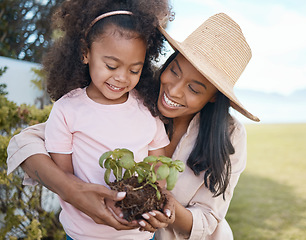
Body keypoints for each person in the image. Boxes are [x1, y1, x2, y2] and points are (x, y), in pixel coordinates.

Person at [7, 12, 260, 239]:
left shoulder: (230, 134)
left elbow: (208, 218)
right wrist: (73, 191)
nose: (174, 89)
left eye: (194, 89)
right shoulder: (131, 96)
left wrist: (167, 207)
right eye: (174, 71)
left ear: (214, 96)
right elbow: (26, 142)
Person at [21, 0, 172, 239]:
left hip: (138, 235)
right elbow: (65, 176)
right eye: (111, 65)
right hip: (83, 234)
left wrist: (157, 196)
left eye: (135, 70)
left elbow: (159, 165)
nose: (122, 78)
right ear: (85, 53)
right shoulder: (67, 110)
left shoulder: (146, 109)